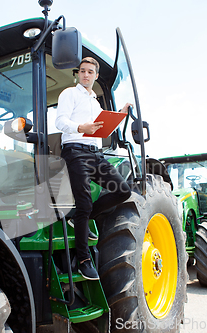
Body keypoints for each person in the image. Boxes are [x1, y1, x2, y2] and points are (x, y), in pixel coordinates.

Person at [55, 57, 132, 280]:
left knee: (123, 190)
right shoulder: (69, 94)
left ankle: (82, 217)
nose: (86, 75)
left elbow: (101, 131)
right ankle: (83, 260)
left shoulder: (96, 103)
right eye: (82, 71)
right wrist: (81, 127)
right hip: (75, 151)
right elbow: (60, 122)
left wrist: (119, 114)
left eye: (90, 72)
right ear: (78, 74)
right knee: (84, 202)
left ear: (96, 76)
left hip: (95, 153)